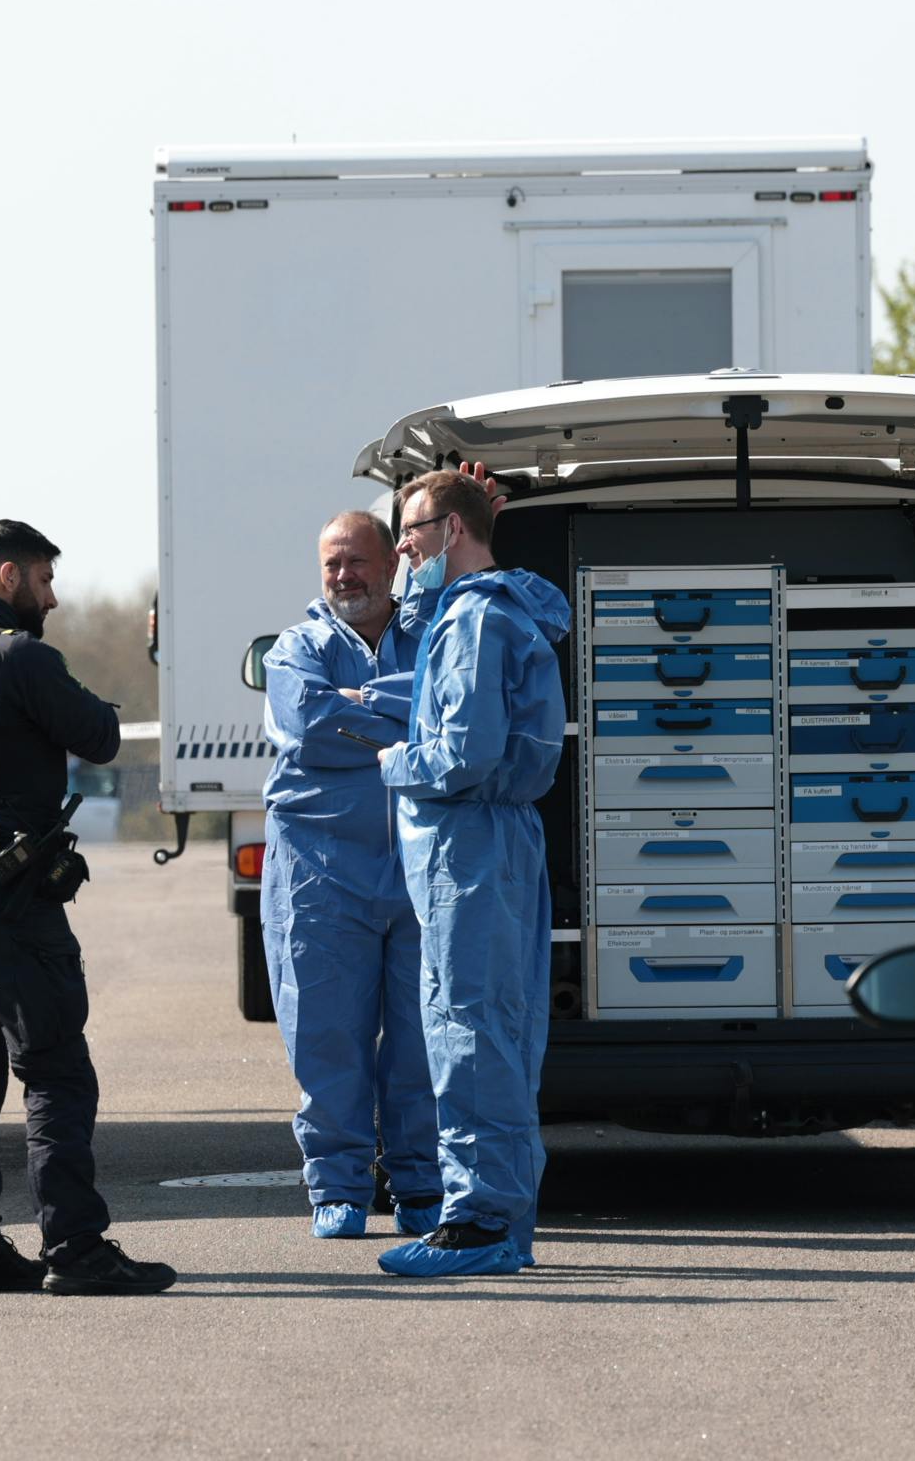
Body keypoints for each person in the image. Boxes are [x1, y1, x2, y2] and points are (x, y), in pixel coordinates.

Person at [0, 520, 175, 1295]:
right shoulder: (20, 656)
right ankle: (76, 1246)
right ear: (8, 576)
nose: (52, 597)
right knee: (55, 1064)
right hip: (6, 890)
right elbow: (102, 736)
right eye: (45, 581)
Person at [370, 470, 569, 1278]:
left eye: (413, 531)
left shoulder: (473, 621)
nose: (402, 549)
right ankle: (498, 1218)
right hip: (495, 845)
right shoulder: (492, 610)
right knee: (496, 1030)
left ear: (453, 531)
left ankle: (480, 1221)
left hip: (468, 848)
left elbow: (463, 752)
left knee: (467, 1029)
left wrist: (391, 758)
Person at [259, 511, 440, 1239]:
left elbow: (453, 715)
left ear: (390, 564)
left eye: (357, 562)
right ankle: (337, 1183)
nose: (344, 577)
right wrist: (401, 714)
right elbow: (306, 724)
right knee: (326, 1035)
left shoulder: (431, 635)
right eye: (332, 564)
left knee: (423, 1039)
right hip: (321, 875)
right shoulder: (294, 648)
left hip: (422, 871)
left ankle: (420, 1183)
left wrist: (359, 707)